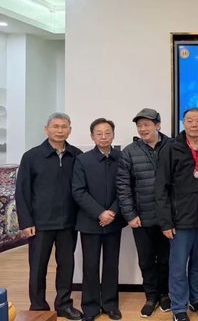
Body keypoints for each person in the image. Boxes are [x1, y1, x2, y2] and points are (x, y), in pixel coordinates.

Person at [15, 112, 83, 319]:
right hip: (40, 224)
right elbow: (22, 192)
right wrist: (26, 222)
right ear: (46, 129)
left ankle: (64, 305)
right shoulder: (31, 156)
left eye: (64, 127)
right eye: (55, 126)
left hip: (68, 223)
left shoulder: (77, 155)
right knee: (38, 268)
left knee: (66, 266)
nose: (60, 130)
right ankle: (38, 306)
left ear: (70, 130)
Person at [156, 108, 198, 321]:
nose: (194, 124)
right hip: (179, 221)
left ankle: (197, 300)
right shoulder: (171, 148)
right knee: (178, 266)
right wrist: (166, 222)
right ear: (183, 123)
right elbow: (161, 188)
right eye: (190, 120)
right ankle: (179, 307)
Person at [116, 108, 172, 317]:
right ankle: (151, 296)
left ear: (158, 125)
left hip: (168, 218)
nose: (143, 129)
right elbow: (123, 186)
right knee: (146, 260)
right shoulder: (130, 151)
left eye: (147, 124)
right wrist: (130, 214)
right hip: (141, 218)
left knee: (166, 260)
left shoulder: (173, 146)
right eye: (139, 126)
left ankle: (165, 294)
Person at [72, 118, 126, 321]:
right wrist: (99, 213)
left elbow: (125, 188)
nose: (104, 137)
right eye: (99, 133)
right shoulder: (82, 160)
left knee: (112, 264)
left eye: (107, 133)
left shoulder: (122, 158)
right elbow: (78, 191)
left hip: (114, 221)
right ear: (92, 137)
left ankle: (111, 304)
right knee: (90, 265)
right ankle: (90, 306)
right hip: (89, 222)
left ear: (113, 134)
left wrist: (112, 212)